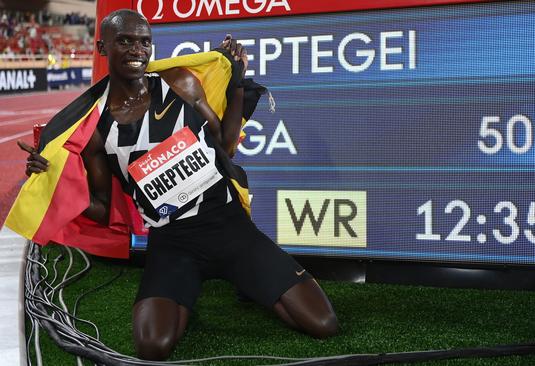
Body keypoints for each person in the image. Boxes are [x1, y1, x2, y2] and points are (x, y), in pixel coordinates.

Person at [17, 9, 338, 361]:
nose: (137, 50)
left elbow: (226, 145)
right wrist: (53, 183)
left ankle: (248, 279)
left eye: (144, 42)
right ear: (102, 46)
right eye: (124, 41)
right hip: (173, 244)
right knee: (153, 346)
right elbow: (102, 209)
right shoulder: (96, 127)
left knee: (323, 323)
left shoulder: (179, 84)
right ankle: (228, 282)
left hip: (229, 227)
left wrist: (236, 82)